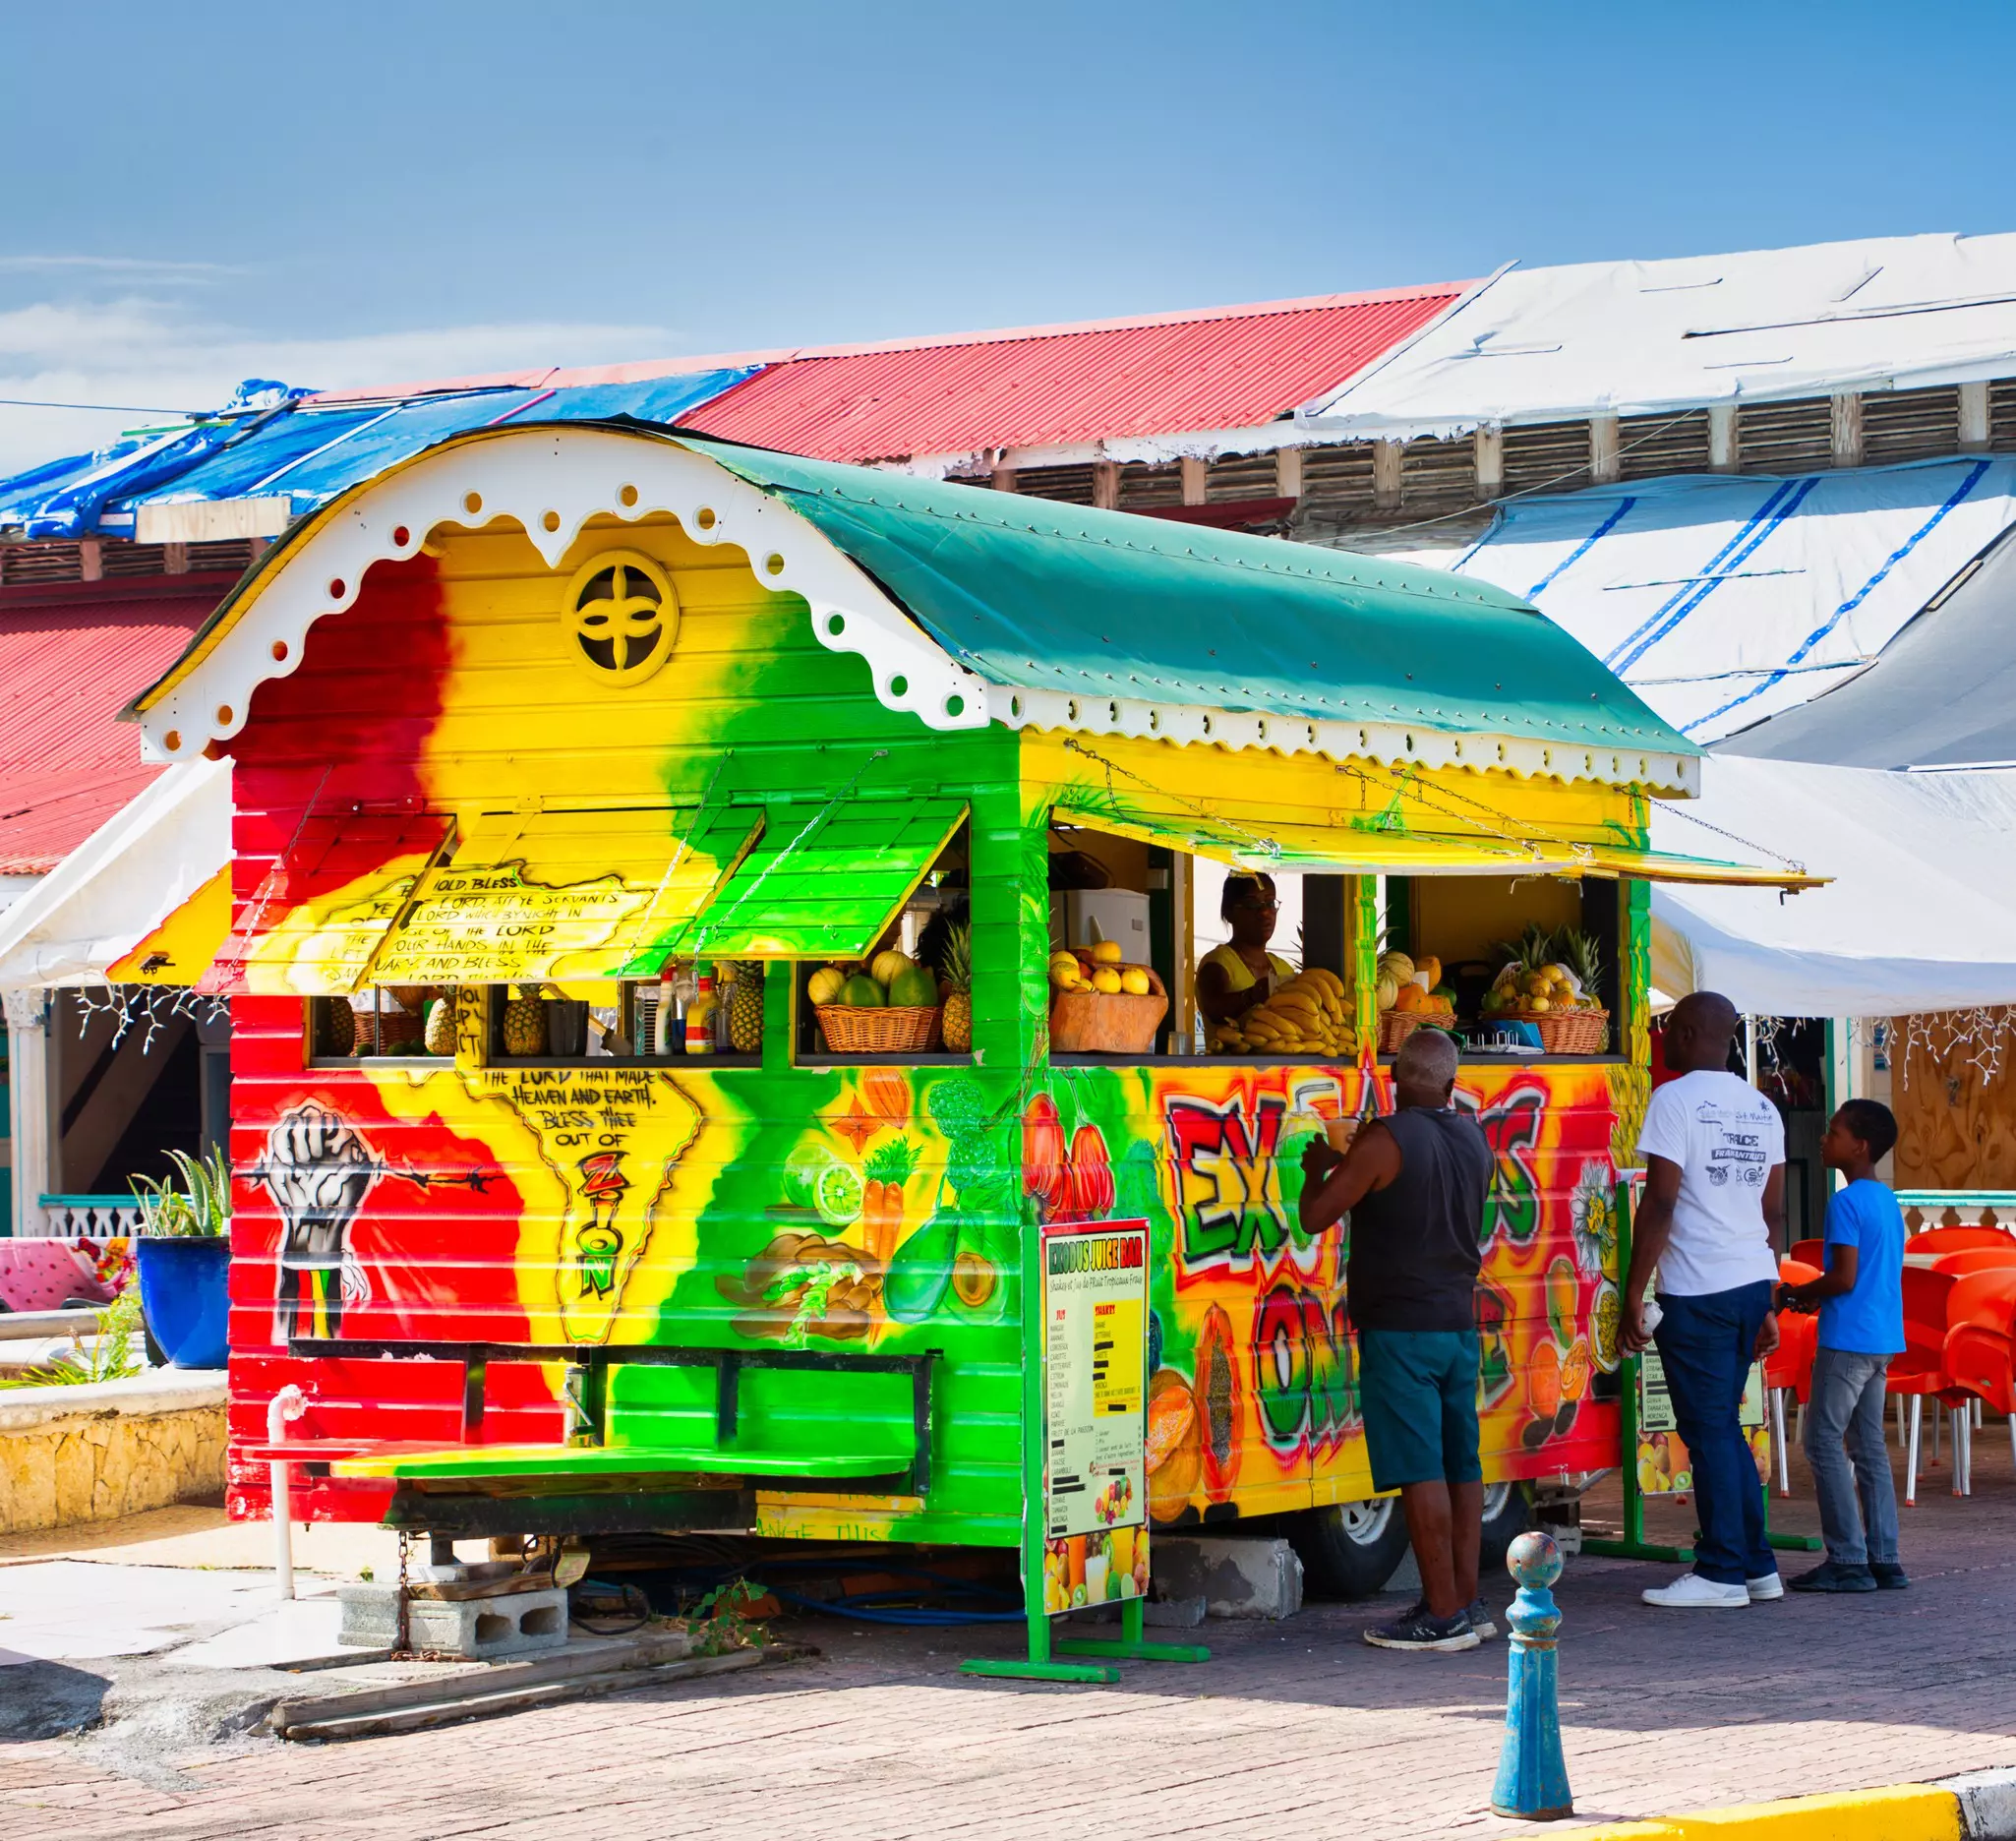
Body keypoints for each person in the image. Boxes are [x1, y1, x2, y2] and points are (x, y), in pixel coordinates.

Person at [1300, 1028, 1495, 1652]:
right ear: (1451, 1083)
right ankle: (1466, 1601)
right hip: (1458, 1327)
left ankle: (1440, 1615)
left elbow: (1316, 1215)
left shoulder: (1384, 1139)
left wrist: (1316, 1168)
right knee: (1462, 1465)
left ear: (1394, 1078)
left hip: (1401, 1331)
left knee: (1419, 1471)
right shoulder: (1474, 1138)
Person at [1623, 991, 1785, 1609]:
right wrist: (1767, 1296)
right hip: (1747, 1283)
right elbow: (1770, 1211)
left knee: (1711, 1429)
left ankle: (1720, 1573)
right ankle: (1757, 1566)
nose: (1662, 1038)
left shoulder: (1674, 1100)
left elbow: (1659, 1202)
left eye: (1667, 1028)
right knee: (1725, 1430)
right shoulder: (1763, 1107)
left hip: (1697, 1288)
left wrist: (1635, 1293)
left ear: (1688, 1033)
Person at [1776, 1099, 1909, 1593]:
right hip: (1881, 1338)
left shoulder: (1846, 1203)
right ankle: (1884, 1558)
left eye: (1833, 1132)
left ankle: (1848, 1559)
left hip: (1847, 1338)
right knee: (1869, 1446)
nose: (1823, 1139)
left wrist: (1795, 1293)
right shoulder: (1886, 1200)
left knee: (1822, 1442)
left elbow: (1844, 1277)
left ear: (1861, 1146)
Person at [1196, 873, 1295, 1052]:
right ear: (1230, 912)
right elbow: (1214, 1009)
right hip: (1233, 1075)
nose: (1264, 912)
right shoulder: (1218, 963)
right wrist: (1252, 996)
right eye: (1252, 904)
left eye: (1270, 903)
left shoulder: (1283, 968)